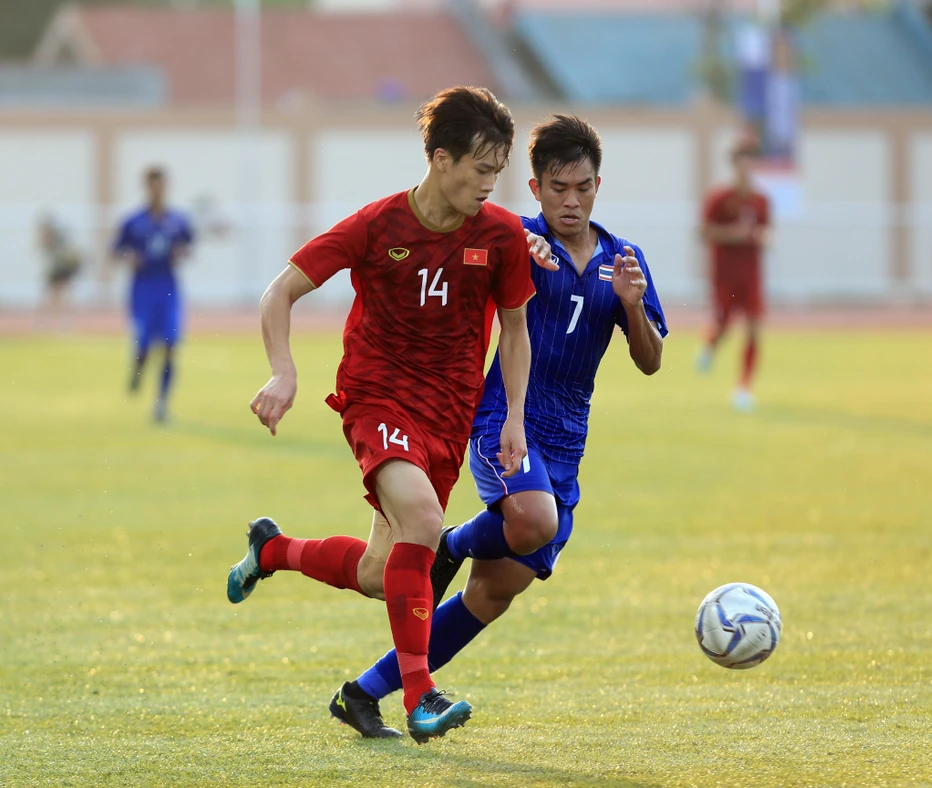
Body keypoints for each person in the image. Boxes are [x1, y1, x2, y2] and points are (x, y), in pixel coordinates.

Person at [226, 86, 555, 744]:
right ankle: (420, 697)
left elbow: (515, 330)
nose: (493, 184)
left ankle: (273, 549)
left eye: (499, 170)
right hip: (377, 396)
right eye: (482, 169)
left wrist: (515, 414)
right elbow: (280, 291)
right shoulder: (376, 225)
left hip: (449, 416)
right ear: (440, 159)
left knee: (383, 575)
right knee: (427, 524)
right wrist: (284, 371)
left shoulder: (500, 236)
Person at [329, 114, 667, 739]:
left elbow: (649, 361)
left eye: (584, 187)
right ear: (534, 188)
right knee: (533, 520)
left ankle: (363, 691)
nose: (572, 201)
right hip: (502, 423)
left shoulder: (624, 259)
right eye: (558, 188)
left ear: (599, 185)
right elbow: (463, 266)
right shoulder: (513, 237)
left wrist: (630, 306)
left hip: (568, 439)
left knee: (494, 593)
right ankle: (451, 543)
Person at [111, 167, 194, 423]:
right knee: (145, 344)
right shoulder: (133, 222)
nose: (157, 190)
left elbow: (188, 246)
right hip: (143, 288)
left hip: (168, 287)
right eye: (153, 185)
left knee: (170, 345)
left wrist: (181, 253)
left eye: (161, 185)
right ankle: (138, 367)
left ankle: (161, 404)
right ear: (146, 187)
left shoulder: (177, 220)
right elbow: (116, 252)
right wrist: (130, 258)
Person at [696, 137, 771, 412]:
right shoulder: (719, 198)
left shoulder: (762, 200)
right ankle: (709, 345)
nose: (747, 165)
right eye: (742, 159)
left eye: (751, 159)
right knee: (725, 324)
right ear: (734, 164)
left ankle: (743, 388)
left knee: (753, 328)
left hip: (751, 275)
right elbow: (704, 232)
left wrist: (764, 237)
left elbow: (766, 231)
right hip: (724, 275)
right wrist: (735, 235)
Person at [38, 214, 83, 312]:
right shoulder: (54, 240)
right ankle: (56, 310)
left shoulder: (58, 239)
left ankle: (61, 310)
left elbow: (69, 256)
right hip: (62, 267)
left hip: (65, 266)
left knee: (59, 289)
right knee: (56, 290)